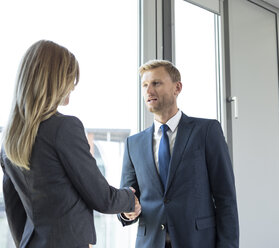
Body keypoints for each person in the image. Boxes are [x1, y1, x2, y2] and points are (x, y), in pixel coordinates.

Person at [0, 40, 141, 248]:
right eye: (70, 80)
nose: (72, 88)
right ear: (54, 81)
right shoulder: (64, 128)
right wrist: (130, 198)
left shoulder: (9, 141)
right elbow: (102, 197)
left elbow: (14, 211)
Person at [118, 60, 239, 248]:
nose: (149, 91)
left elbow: (226, 198)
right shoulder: (133, 144)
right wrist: (127, 211)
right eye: (144, 85)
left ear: (177, 87)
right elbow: (127, 197)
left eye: (156, 83)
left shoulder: (207, 131)